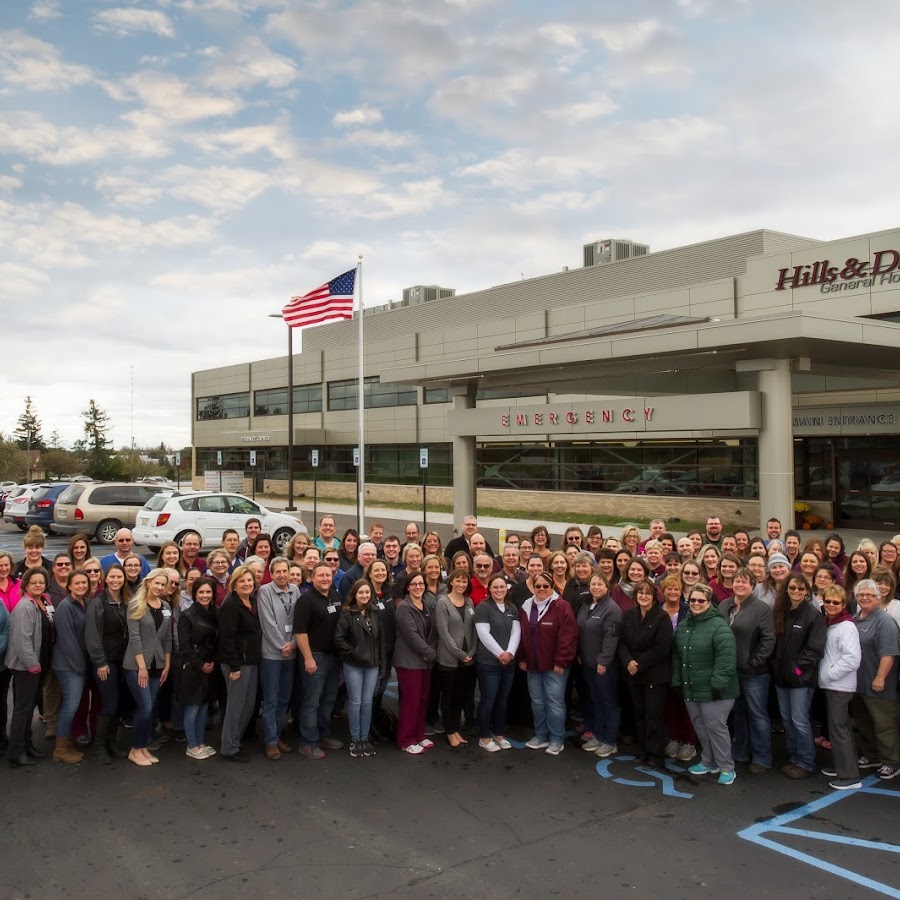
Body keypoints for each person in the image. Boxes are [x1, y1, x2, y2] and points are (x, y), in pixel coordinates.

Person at [672, 583, 739, 784]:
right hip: (691, 688)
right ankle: (709, 761)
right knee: (701, 727)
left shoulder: (720, 627)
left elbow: (726, 659)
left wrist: (717, 685)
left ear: (709, 603)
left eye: (701, 600)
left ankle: (727, 767)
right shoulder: (683, 626)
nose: (696, 603)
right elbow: (677, 656)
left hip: (716, 691)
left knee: (716, 728)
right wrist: (678, 681)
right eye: (693, 600)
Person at [719, 567, 775, 774]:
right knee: (738, 713)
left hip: (754, 673)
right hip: (731, 671)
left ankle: (762, 757)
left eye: (745, 581)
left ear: (752, 585)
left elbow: (769, 639)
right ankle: (740, 752)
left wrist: (754, 661)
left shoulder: (761, 609)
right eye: (737, 581)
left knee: (757, 714)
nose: (740, 584)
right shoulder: (725, 605)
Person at [771, 573, 827, 778]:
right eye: (793, 588)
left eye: (801, 589)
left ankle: (806, 762)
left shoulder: (813, 616)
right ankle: (794, 757)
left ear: (807, 591)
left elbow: (814, 649)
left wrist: (797, 670)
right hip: (780, 679)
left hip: (801, 680)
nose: (796, 591)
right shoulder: (781, 613)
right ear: (786, 589)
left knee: (800, 720)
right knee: (787, 720)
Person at [518, 572, 578, 756]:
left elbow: (568, 636)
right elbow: (521, 634)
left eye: (546, 586)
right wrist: (521, 657)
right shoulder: (526, 607)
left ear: (552, 586)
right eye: (538, 586)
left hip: (554, 666)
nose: (542, 589)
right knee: (537, 702)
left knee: (554, 703)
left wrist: (562, 660)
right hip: (533, 664)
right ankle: (541, 735)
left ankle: (556, 739)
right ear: (533, 587)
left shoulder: (561, 606)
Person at [618, 578, 673, 768]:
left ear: (654, 597)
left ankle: (656, 754)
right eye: (640, 593)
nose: (643, 596)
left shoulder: (661, 617)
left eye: (647, 593)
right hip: (633, 674)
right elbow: (622, 642)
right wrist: (628, 662)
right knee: (640, 713)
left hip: (654, 675)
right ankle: (643, 750)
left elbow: (661, 648)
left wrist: (638, 663)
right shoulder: (630, 615)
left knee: (653, 715)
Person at [293, 562, 343, 759]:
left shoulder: (336, 596)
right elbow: (300, 632)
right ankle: (307, 742)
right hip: (315, 658)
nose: (325, 578)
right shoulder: (306, 601)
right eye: (320, 575)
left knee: (328, 699)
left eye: (328, 575)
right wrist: (308, 658)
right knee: (311, 701)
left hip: (333, 658)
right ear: (312, 578)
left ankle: (324, 735)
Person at [123, 569, 172, 767]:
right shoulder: (137, 604)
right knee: (144, 708)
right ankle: (135, 749)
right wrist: (141, 666)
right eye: (157, 583)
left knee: (150, 710)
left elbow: (167, 638)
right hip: (137, 666)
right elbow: (134, 638)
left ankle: (143, 747)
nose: (159, 588)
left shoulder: (166, 606)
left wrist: (167, 665)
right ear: (148, 582)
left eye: (163, 585)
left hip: (158, 664)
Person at [851, 579, 900, 780]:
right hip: (858, 684)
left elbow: (889, 653)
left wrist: (880, 677)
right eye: (861, 595)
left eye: (869, 595)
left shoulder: (884, 621)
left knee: (884, 726)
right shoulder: (856, 618)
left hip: (879, 685)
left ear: (878, 598)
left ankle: (891, 762)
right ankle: (871, 755)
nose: (864, 598)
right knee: (864, 723)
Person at [6, 567, 54, 767]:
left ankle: (27, 745)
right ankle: (16, 752)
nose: (38, 585)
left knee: (29, 709)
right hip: (27, 667)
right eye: (33, 582)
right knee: (22, 710)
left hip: (40, 663)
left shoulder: (43, 601)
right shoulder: (25, 606)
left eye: (41, 582)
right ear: (25, 584)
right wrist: (32, 665)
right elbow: (22, 640)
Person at [817, 585, 862, 790]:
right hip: (833, 685)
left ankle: (850, 776)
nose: (832, 605)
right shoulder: (831, 623)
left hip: (840, 686)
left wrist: (829, 674)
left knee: (840, 729)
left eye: (836, 602)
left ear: (844, 604)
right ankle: (842, 766)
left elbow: (852, 659)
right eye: (828, 602)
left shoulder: (846, 626)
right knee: (838, 729)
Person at [335, 579, 386, 757]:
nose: (364, 595)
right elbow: (339, 639)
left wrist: (382, 665)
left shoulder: (375, 612)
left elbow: (381, 641)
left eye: (367, 592)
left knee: (367, 702)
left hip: (372, 665)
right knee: (355, 702)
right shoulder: (347, 613)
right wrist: (354, 652)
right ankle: (355, 739)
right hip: (354, 664)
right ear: (354, 594)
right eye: (361, 592)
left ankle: (365, 738)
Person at [84, 562, 129, 764]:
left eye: (119, 577)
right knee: (109, 704)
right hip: (106, 662)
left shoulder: (127, 601)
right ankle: (99, 746)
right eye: (112, 577)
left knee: (119, 704)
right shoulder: (98, 603)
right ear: (105, 579)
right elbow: (92, 636)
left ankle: (112, 742)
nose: (116, 580)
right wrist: (100, 662)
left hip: (124, 661)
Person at [217, 565, 262, 763]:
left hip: (251, 661)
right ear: (234, 585)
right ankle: (228, 748)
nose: (246, 584)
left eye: (249, 580)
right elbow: (226, 638)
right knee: (235, 707)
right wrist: (234, 666)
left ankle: (235, 740)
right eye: (242, 581)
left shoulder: (251, 601)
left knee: (249, 705)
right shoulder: (231, 605)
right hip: (236, 664)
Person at [257, 557, 300, 760]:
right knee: (271, 699)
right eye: (278, 572)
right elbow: (268, 622)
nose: (282, 575)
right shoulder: (264, 592)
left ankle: (277, 734)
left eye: (285, 571)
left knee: (284, 698)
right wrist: (281, 645)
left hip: (290, 653)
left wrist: (292, 644)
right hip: (272, 655)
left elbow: (299, 620)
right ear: (272, 574)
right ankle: (270, 741)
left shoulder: (295, 590)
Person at [577, 572, 622, 759]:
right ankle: (598, 734)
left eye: (599, 584)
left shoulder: (612, 609)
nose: (595, 587)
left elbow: (611, 639)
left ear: (607, 586)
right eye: (593, 584)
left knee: (608, 702)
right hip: (587, 664)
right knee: (595, 701)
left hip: (603, 666)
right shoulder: (588, 605)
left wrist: (604, 661)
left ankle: (609, 741)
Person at [474, 574, 520, 752]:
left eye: (502, 587)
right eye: (495, 587)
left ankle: (499, 734)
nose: (499, 590)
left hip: (508, 663)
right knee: (488, 700)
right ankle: (485, 737)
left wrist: (510, 653)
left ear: (507, 588)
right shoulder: (483, 608)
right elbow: (484, 634)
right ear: (490, 589)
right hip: (489, 664)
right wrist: (500, 653)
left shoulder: (511, 607)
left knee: (502, 700)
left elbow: (516, 632)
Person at [51, 569, 92, 764]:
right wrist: (81, 667)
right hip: (69, 665)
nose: (81, 586)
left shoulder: (85, 603)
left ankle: (66, 743)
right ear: (69, 586)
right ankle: (60, 749)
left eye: (84, 582)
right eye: (77, 583)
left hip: (79, 664)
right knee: (70, 706)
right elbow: (67, 641)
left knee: (71, 705)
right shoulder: (65, 607)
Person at [393, 572, 437, 754]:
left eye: (421, 584)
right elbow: (412, 636)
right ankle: (406, 739)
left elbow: (432, 631)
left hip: (425, 661)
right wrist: (429, 653)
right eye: (414, 584)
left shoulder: (425, 605)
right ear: (408, 587)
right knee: (410, 701)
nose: (418, 587)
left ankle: (419, 734)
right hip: (409, 661)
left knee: (422, 699)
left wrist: (429, 652)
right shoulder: (404, 607)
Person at [436, 568, 478, 749]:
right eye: (458, 581)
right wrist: (460, 653)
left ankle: (455, 729)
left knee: (460, 697)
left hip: (468, 659)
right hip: (449, 659)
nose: (461, 584)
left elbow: (474, 630)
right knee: (448, 697)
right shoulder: (442, 603)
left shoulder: (469, 602)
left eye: (464, 581)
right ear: (451, 582)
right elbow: (444, 633)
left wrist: (472, 652)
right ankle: (449, 731)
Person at [178, 576, 218, 760]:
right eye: (201, 592)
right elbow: (184, 646)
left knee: (203, 706)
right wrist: (200, 664)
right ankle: (192, 744)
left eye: (208, 592)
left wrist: (212, 662)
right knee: (192, 707)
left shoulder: (217, 612)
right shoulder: (187, 615)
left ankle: (201, 742)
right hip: (193, 667)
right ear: (194, 594)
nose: (205, 595)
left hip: (211, 664)